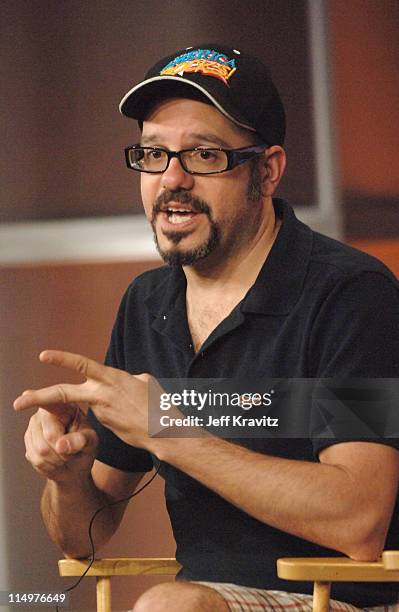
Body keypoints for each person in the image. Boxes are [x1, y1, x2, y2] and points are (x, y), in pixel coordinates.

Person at [15, 44, 399, 611]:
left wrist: (167, 426)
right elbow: (84, 540)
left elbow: (358, 518)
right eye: (153, 153)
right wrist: (66, 476)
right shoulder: (147, 304)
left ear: (266, 172)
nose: (172, 180)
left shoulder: (351, 293)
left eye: (204, 156)